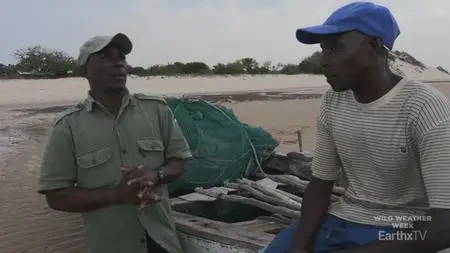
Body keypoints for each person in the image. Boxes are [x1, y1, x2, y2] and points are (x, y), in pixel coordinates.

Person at [260, 2, 450, 253]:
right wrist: (299, 247)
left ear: (373, 46)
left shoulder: (423, 107)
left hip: (402, 225)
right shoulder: (333, 101)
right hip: (342, 217)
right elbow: (320, 184)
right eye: (323, 50)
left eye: (335, 48)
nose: (324, 61)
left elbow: (445, 225)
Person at [37, 33, 192, 253]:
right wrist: (116, 195)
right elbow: (55, 196)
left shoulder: (157, 110)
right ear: (85, 71)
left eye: (121, 57)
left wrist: (154, 176)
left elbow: (180, 161)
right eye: (106, 57)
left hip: (163, 242)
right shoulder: (68, 126)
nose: (118, 63)